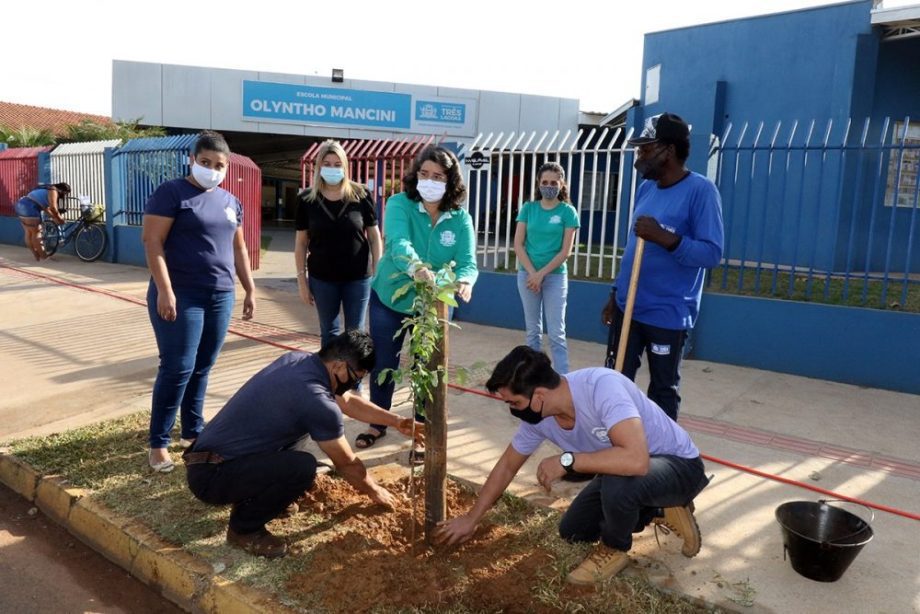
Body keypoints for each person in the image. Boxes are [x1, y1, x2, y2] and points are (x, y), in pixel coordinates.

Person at [435, 345, 708, 585]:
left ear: (539, 396)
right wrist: (471, 519)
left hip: (679, 466)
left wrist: (569, 461)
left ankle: (614, 550)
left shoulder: (601, 387)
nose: (513, 409)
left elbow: (636, 460)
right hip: (628, 471)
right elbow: (507, 465)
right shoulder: (539, 418)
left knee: (619, 481)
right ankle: (660, 508)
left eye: (515, 402)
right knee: (574, 530)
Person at [184, 330, 423, 558]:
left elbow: (348, 402)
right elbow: (347, 463)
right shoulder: (316, 400)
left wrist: (397, 421)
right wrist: (374, 490)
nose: (352, 386)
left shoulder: (298, 361)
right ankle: (243, 529)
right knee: (303, 467)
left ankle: (262, 496)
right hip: (211, 477)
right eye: (354, 379)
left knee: (299, 436)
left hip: (208, 459)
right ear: (339, 366)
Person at [142, 130, 256, 473]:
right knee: (177, 367)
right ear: (192, 160)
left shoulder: (230, 201)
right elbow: (152, 242)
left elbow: (239, 248)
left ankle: (193, 431)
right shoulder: (171, 193)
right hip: (181, 294)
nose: (212, 169)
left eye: (219, 164)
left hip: (220, 294)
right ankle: (158, 443)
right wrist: (165, 289)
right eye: (205, 162)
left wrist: (249, 288)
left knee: (203, 365)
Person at [356, 145, 479, 453]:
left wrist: (465, 281)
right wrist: (417, 268)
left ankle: (423, 430)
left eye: (438, 176)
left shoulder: (460, 219)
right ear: (415, 175)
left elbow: (467, 261)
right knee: (384, 362)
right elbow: (397, 243)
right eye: (424, 174)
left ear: (450, 182)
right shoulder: (399, 204)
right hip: (390, 298)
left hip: (433, 304)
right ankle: (378, 422)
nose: (430, 181)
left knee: (428, 366)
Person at [602, 112, 723, 422]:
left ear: (667, 151)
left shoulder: (701, 191)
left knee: (662, 391)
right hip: (628, 308)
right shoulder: (647, 189)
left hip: (667, 315)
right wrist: (616, 293)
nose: (639, 157)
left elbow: (711, 253)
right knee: (614, 384)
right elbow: (633, 248)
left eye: (645, 149)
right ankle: (614, 451)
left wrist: (665, 237)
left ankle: (663, 459)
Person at [295, 140, 382, 348]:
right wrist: (301, 281)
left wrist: (378, 271)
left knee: (356, 333)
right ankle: (331, 380)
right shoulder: (307, 199)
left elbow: (374, 236)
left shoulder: (361, 195)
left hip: (358, 279)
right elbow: (300, 243)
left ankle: (354, 381)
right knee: (329, 333)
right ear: (318, 167)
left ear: (345, 167)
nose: (332, 168)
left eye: (337, 164)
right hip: (322, 279)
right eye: (327, 163)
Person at [513, 162, 580, 374]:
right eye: (545, 182)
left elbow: (565, 251)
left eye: (553, 182)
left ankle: (563, 380)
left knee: (557, 334)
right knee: (533, 332)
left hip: (555, 278)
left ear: (562, 185)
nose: (549, 186)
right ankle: (534, 376)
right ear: (538, 183)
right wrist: (533, 274)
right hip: (528, 276)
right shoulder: (528, 208)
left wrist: (541, 274)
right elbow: (518, 244)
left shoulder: (568, 212)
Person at [14, 182, 69, 260]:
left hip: (21, 204)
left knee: (28, 233)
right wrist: (60, 219)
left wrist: (55, 218)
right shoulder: (53, 191)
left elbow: (45, 209)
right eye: (66, 193)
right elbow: (53, 208)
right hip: (30, 208)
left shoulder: (45, 189)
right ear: (63, 191)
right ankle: (44, 256)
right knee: (36, 234)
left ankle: (36, 254)